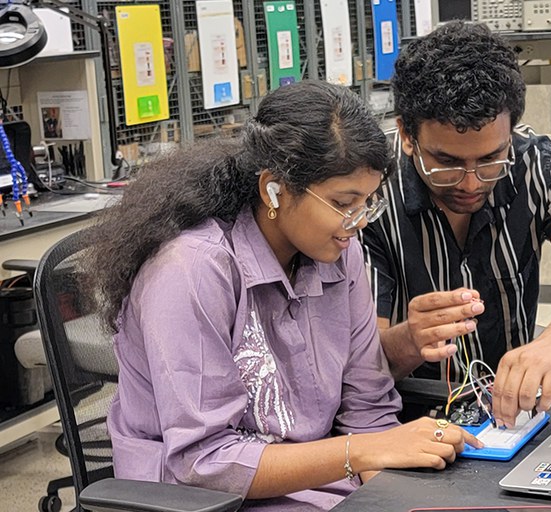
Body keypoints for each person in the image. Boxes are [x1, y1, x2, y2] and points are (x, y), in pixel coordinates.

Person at [85, 81, 479, 511]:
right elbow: (205, 463)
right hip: (200, 499)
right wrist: (360, 453)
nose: (358, 222)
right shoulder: (193, 269)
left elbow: (368, 406)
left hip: (318, 482)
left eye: (368, 202)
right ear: (273, 189)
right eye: (345, 202)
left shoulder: (336, 249)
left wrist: (399, 490)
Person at [360, 21, 551, 428]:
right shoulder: (369, 193)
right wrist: (410, 340)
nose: (471, 183)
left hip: (517, 414)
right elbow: (361, 371)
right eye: (448, 163)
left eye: (490, 159)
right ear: (405, 134)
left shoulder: (542, 164)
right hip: (409, 417)